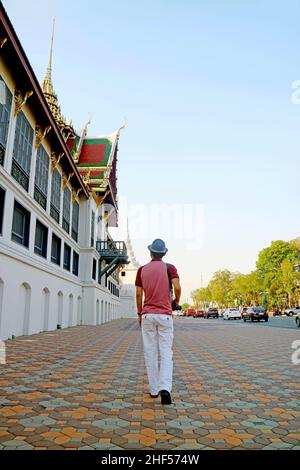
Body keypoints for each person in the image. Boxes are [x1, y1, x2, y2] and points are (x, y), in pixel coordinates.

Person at [135, 239, 181, 405]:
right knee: (166, 352)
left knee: (150, 352)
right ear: (164, 254)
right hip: (165, 316)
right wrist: (176, 301)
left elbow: (139, 294)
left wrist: (140, 313)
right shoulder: (170, 268)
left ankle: (154, 389)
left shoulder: (142, 270)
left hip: (147, 315)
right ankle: (165, 388)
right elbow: (177, 287)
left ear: (151, 253)